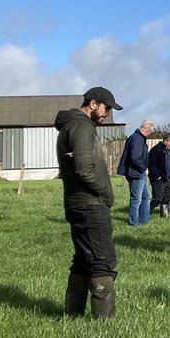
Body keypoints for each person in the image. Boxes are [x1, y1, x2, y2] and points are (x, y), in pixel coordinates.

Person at [54, 87, 121, 318]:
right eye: (106, 108)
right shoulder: (82, 126)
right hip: (91, 204)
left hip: (78, 202)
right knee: (102, 259)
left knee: (84, 259)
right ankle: (104, 322)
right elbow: (84, 169)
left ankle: (73, 314)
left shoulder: (72, 125)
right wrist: (105, 192)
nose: (107, 114)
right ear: (93, 104)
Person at [116, 119, 153, 225]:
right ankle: (133, 222)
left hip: (138, 172)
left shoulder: (137, 137)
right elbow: (135, 157)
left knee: (146, 196)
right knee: (136, 199)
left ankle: (144, 220)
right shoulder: (137, 139)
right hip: (135, 172)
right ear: (148, 130)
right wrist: (142, 168)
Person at [148, 132, 170, 219]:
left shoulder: (167, 150)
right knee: (157, 199)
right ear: (166, 140)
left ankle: (164, 216)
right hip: (158, 178)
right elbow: (151, 164)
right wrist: (157, 176)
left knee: (167, 196)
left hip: (166, 177)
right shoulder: (156, 150)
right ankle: (144, 213)